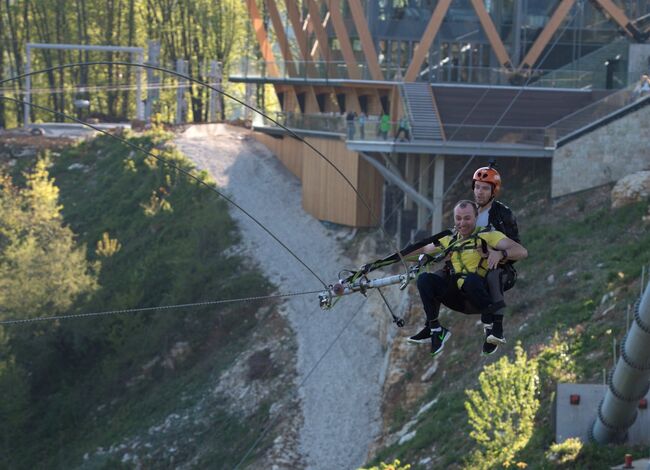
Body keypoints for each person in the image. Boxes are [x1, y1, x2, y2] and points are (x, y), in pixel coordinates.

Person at [407, 200, 528, 357]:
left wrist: (500, 253)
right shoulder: (449, 241)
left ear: (476, 217)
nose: (462, 223)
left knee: (471, 279)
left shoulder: (488, 235)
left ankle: (490, 327)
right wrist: (396, 256)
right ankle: (436, 329)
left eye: (467, 218)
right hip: (459, 298)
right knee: (424, 279)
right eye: (458, 218)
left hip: (480, 297)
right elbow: (422, 249)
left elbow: (521, 251)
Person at [472, 163, 520, 354]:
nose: (480, 192)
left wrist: (501, 254)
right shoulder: (468, 213)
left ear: (493, 191)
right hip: (473, 266)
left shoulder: (503, 215)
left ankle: (496, 327)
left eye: (485, 188)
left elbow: (517, 245)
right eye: (477, 187)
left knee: (492, 276)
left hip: (502, 269)